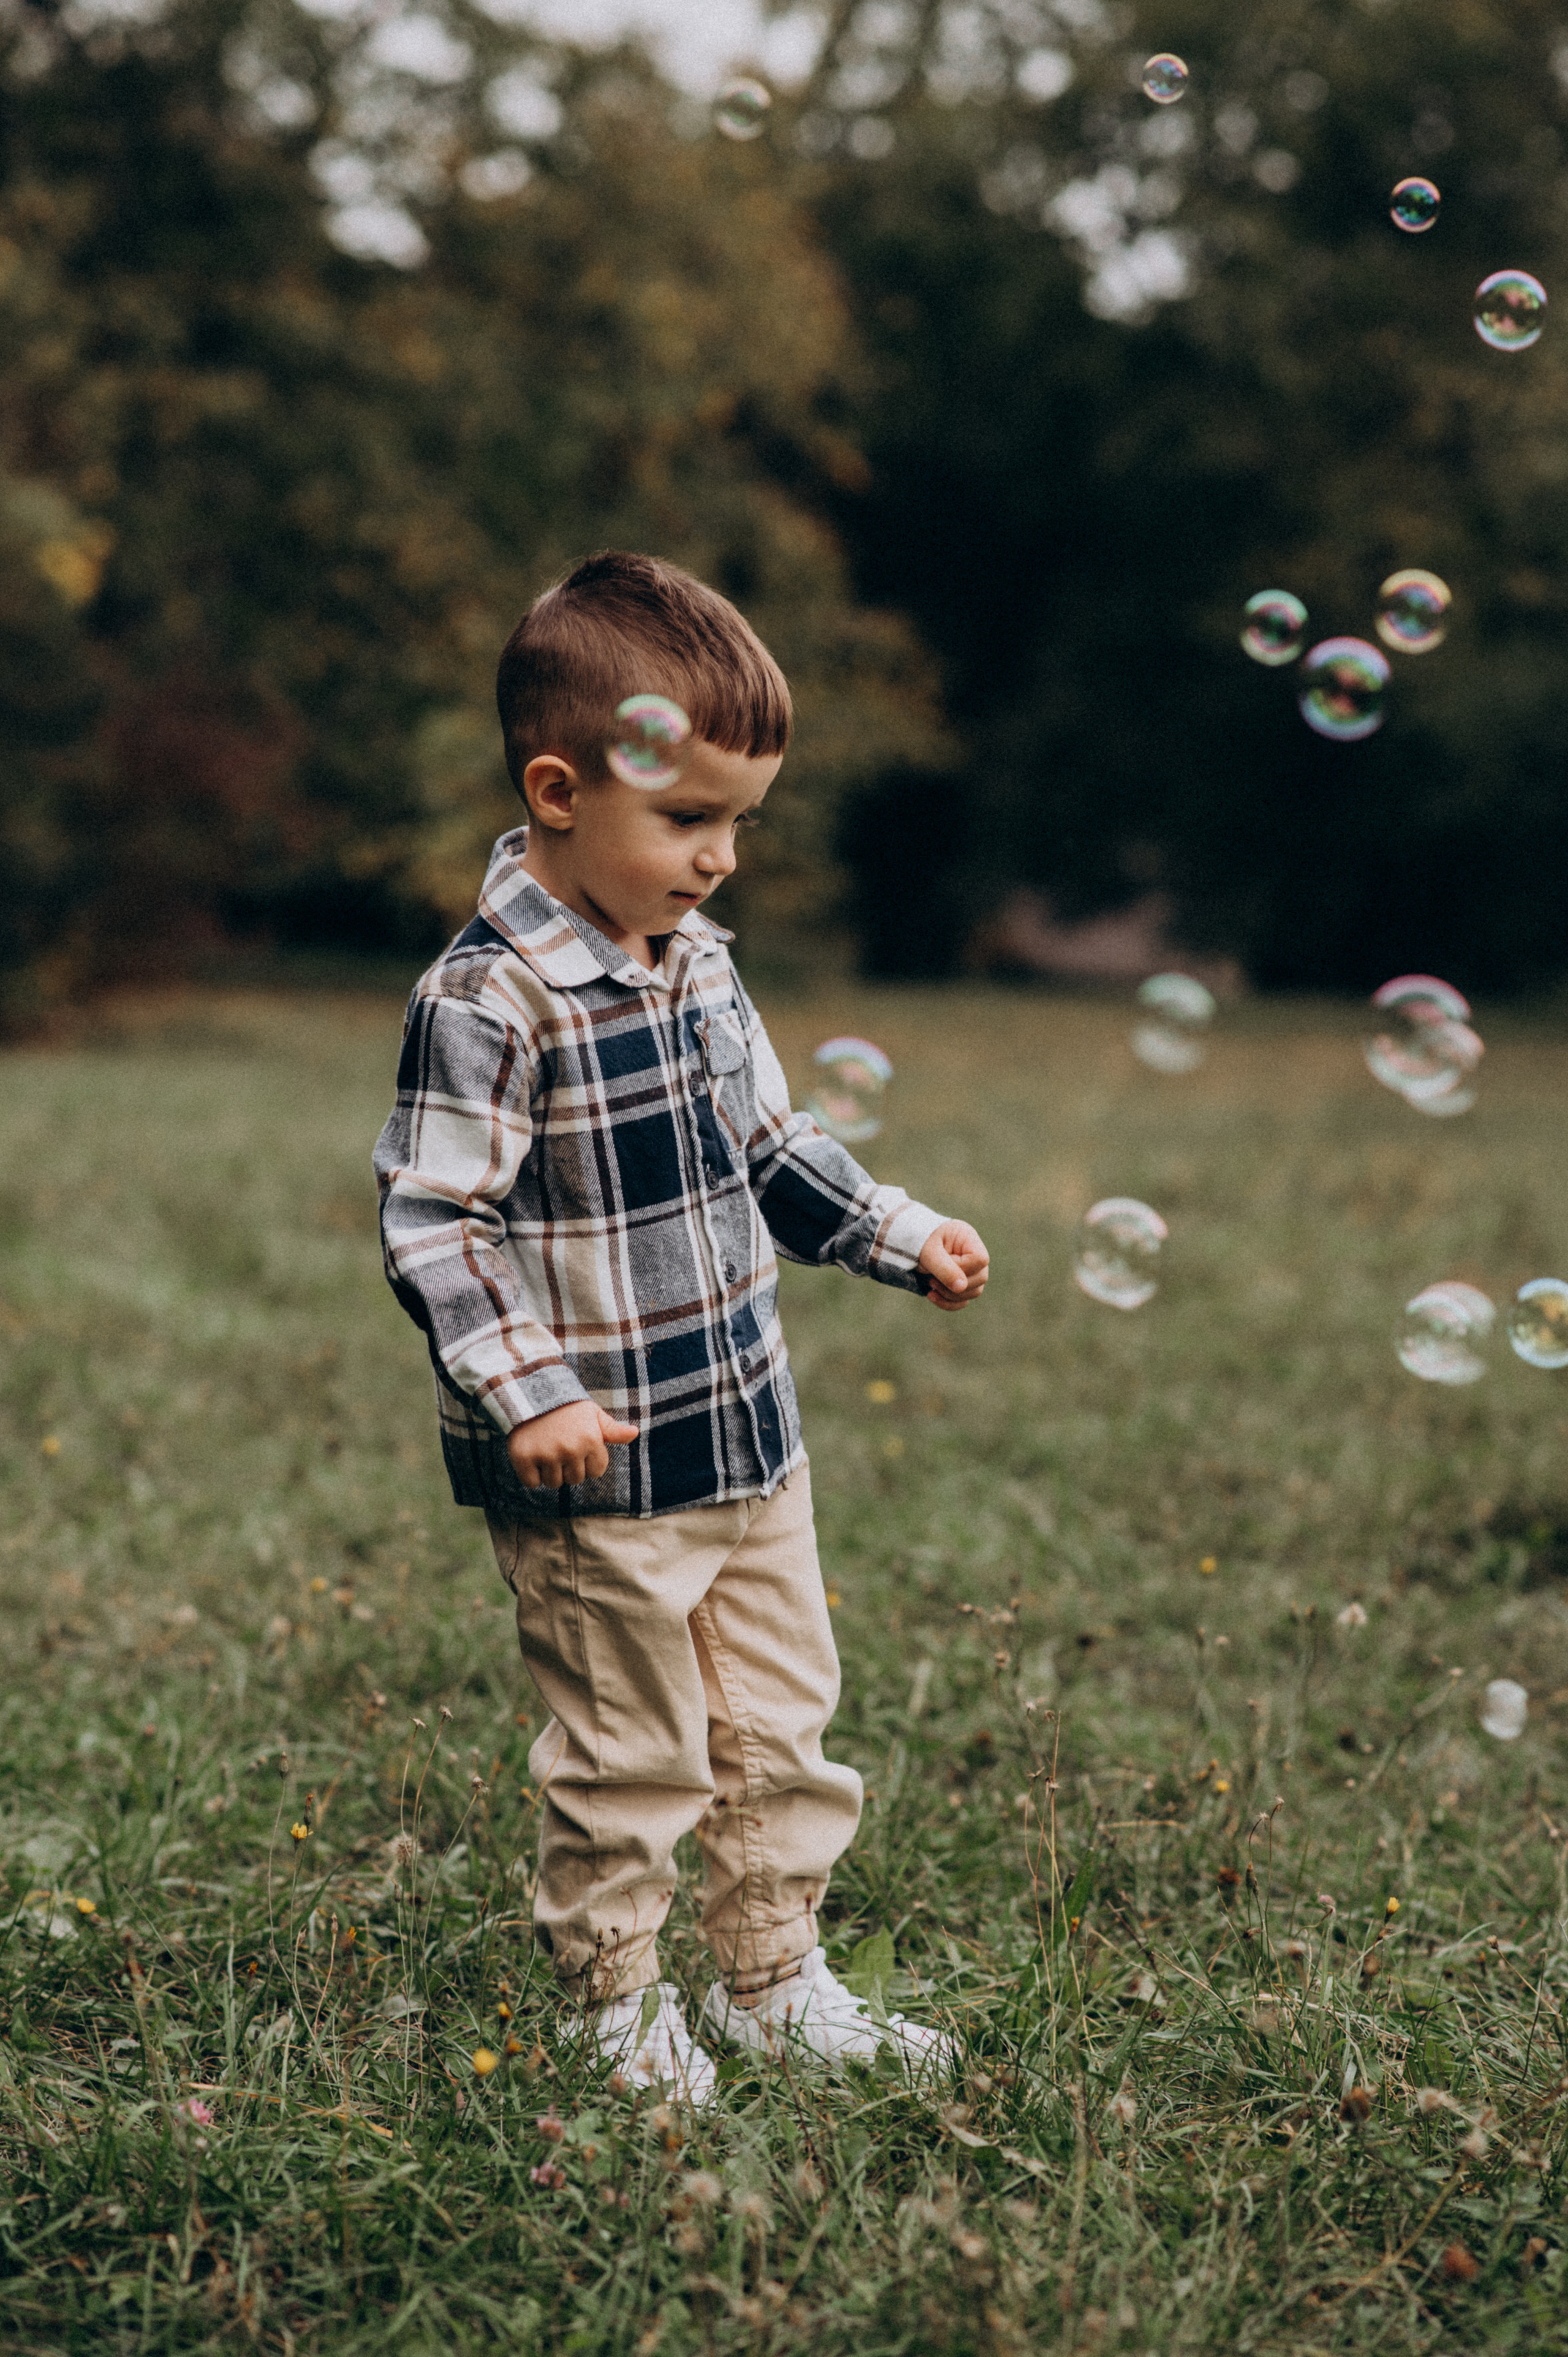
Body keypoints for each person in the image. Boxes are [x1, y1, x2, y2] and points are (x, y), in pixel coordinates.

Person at [374, 551, 990, 2103]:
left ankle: (774, 1977)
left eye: (741, 824)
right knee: (631, 1753)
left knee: (783, 1733)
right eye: (691, 820)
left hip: (746, 1438)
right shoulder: (490, 999)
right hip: (595, 1474)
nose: (721, 860)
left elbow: (767, 1146)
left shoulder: (699, 963)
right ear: (560, 789)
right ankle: (610, 2001)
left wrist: (894, 1230)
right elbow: (434, 1219)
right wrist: (528, 1392)